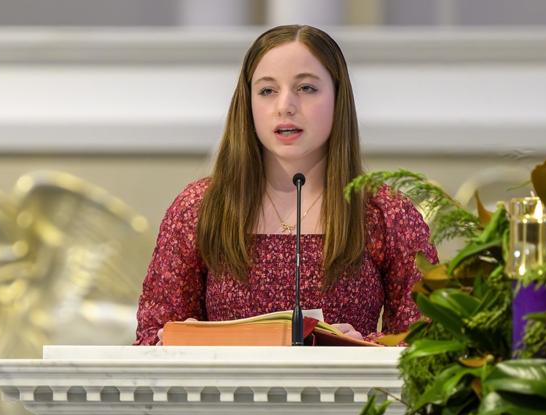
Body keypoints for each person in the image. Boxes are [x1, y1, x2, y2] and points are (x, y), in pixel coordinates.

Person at [134, 25, 438, 346]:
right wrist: (177, 342)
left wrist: (363, 346)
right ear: (247, 103)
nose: (285, 106)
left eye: (306, 88)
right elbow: (150, 338)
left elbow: (431, 338)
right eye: (267, 91)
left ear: (338, 97)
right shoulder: (200, 206)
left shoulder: (384, 209)